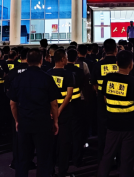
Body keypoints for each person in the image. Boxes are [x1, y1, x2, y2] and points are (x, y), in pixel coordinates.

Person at [9, 48, 59, 177]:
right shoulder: (47, 78)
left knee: (22, 158)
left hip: (24, 121)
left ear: (27, 60)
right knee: (43, 158)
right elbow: (54, 104)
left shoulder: (18, 79)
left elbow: (13, 103)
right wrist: (55, 121)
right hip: (42, 122)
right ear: (41, 60)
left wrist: (17, 120)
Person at [97, 51, 134, 177]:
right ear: (131, 64)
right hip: (129, 125)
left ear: (116, 63)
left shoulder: (108, 78)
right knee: (127, 159)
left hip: (112, 124)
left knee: (107, 155)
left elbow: (104, 98)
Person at [47, 49, 75, 177]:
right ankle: (62, 172)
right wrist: (58, 111)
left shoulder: (48, 73)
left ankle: (50, 171)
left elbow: (45, 95)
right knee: (64, 143)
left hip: (49, 114)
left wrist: (52, 111)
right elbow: (69, 95)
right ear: (63, 59)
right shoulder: (69, 74)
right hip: (64, 114)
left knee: (51, 144)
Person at [91, 39, 119, 162]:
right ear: (116, 50)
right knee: (118, 129)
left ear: (103, 50)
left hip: (102, 100)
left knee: (103, 129)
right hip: (119, 100)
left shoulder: (98, 65)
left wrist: (100, 93)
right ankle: (118, 156)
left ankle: (103, 157)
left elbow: (94, 84)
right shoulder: (120, 64)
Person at [65, 48, 86, 167]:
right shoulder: (79, 71)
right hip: (77, 104)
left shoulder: (61, 71)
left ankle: (64, 157)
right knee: (77, 132)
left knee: (64, 132)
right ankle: (77, 159)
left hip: (62, 106)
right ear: (76, 58)